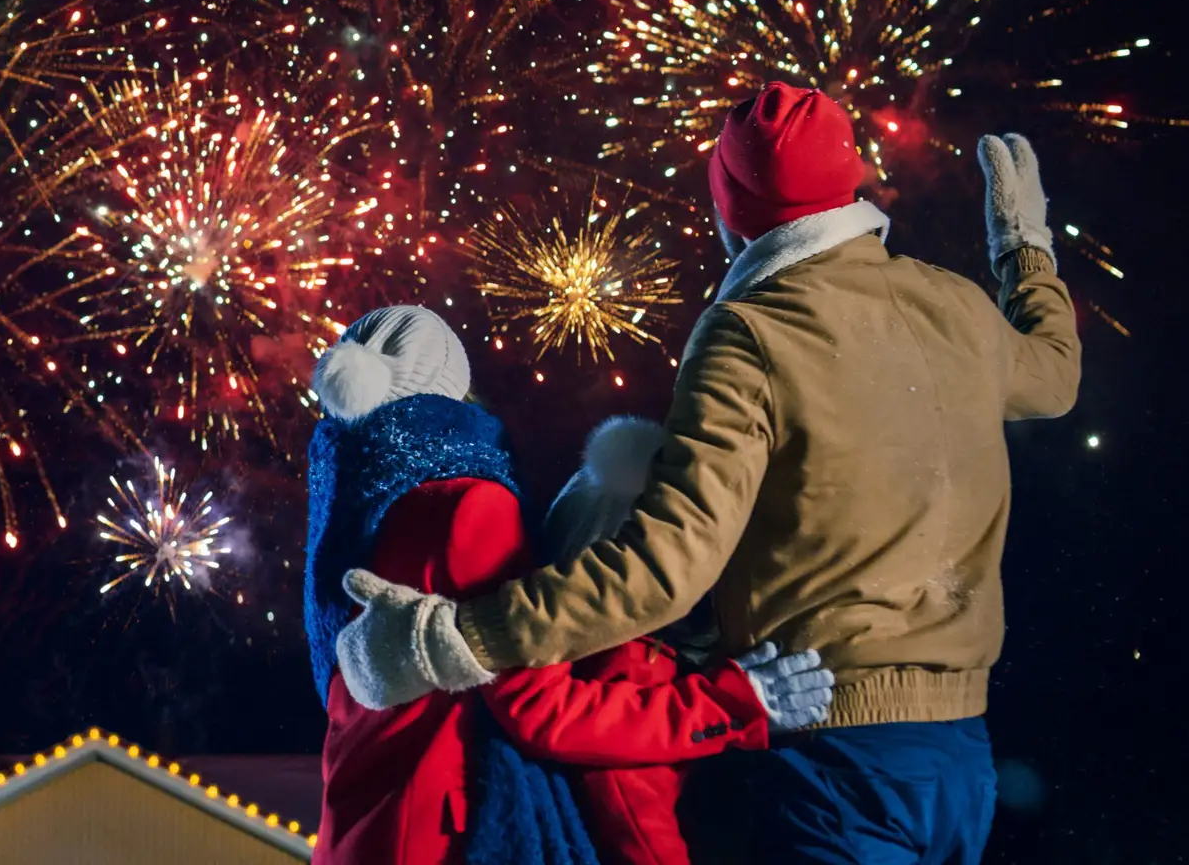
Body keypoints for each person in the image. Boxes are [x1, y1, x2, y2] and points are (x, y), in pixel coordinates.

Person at [332, 84, 1081, 864]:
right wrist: (1025, 246)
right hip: (961, 754)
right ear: (850, 179)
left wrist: (455, 639)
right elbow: (1054, 377)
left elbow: (666, 568)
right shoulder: (954, 305)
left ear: (732, 208)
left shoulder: (754, 331)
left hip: (832, 751)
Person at [306, 306, 831, 865]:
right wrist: (730, 704)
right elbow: (536, 706)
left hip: (357, 831)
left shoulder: (345, 510)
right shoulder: (471, 505)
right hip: (444, 834)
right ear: (450, 385)